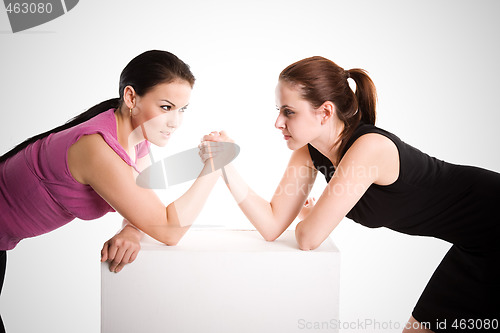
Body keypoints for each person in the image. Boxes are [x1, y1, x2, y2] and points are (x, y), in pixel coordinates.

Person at [200, 56, 500, 333]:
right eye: (278, 111)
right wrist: (225, 166)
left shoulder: (368, 148)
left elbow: (308, 238)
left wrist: (313, 218)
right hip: (474, 243)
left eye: (288, 111)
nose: (278, 122)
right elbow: (272, 225)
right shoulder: (309, 152)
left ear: (325, 111)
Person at [0, 50, 222, 333]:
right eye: (166, 107)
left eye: (182, 109)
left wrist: (131, 230)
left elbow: (145, 206)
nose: (175, 122)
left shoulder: (134, 136)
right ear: (131, 98)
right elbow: (169, 230)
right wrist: (214, 167)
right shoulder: (98, 147)